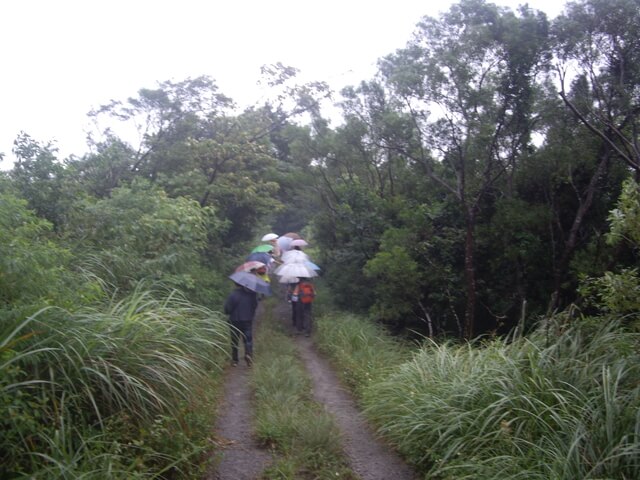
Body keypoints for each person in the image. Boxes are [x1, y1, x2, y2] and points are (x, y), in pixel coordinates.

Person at [223, 282, 258, 366]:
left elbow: (227, 309)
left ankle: (235, 360)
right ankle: (248, 354)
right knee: (248, 340)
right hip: (247, 320)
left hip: (234, 321)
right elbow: (255, 305)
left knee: (234, 341)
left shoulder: (233, 295)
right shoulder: (251, 294)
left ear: (235, 284)